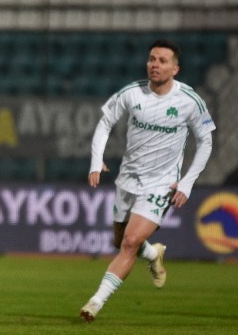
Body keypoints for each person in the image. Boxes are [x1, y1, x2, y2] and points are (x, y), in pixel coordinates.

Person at [80, 39, 215, 323]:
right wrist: (96, 160)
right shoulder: (132, 93)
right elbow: (105, 123)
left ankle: (95, 302)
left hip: (161, 184)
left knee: (130, 242)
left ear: (175, 69)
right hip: (128, 179)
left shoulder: (189, 101)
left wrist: (187, 182)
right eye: (152, 59)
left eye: (162, 61)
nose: (155, 64)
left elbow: (206, 141)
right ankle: (153, 254)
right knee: (120, 240)